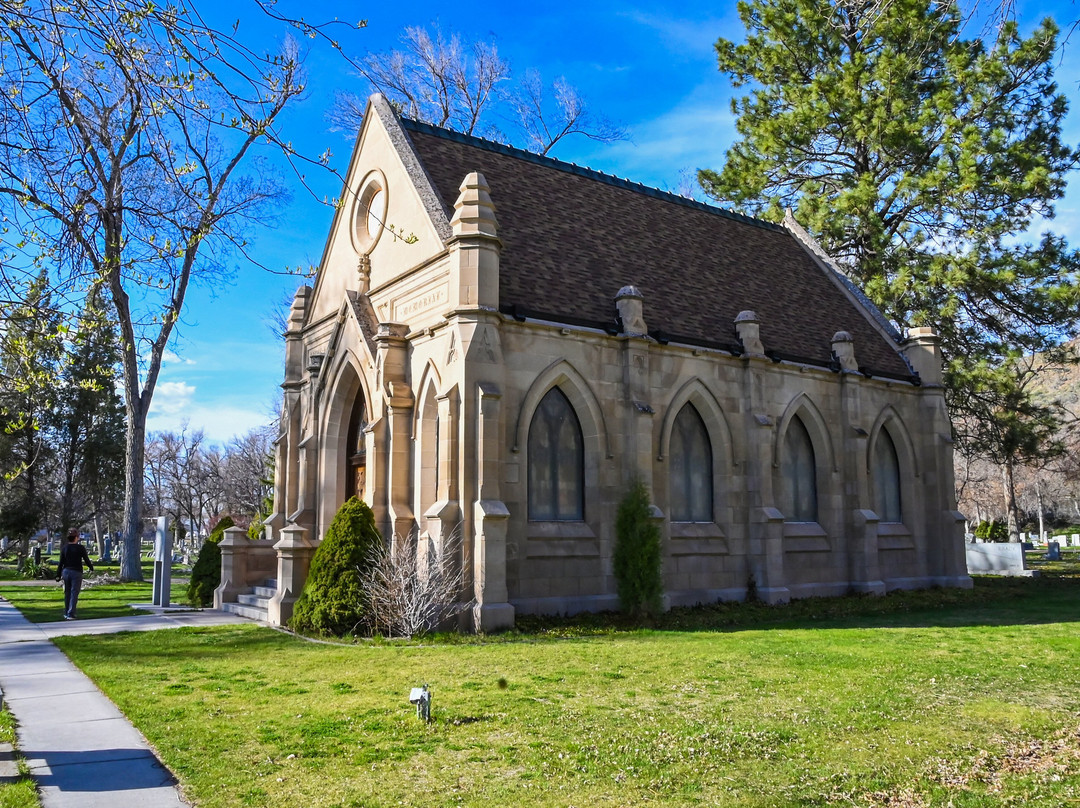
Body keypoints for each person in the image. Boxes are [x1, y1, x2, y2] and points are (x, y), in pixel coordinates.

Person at [55, 529, 94, 620]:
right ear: (76, 537)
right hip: (76, 572)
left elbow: (61, 563)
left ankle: (66, 612)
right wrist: (91, 568)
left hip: (66, 571)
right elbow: (86, 559)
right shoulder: (80, 548)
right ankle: (71, 613)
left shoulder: (65, 548)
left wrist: (58, 574)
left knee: (67, 592)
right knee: (74, 592)